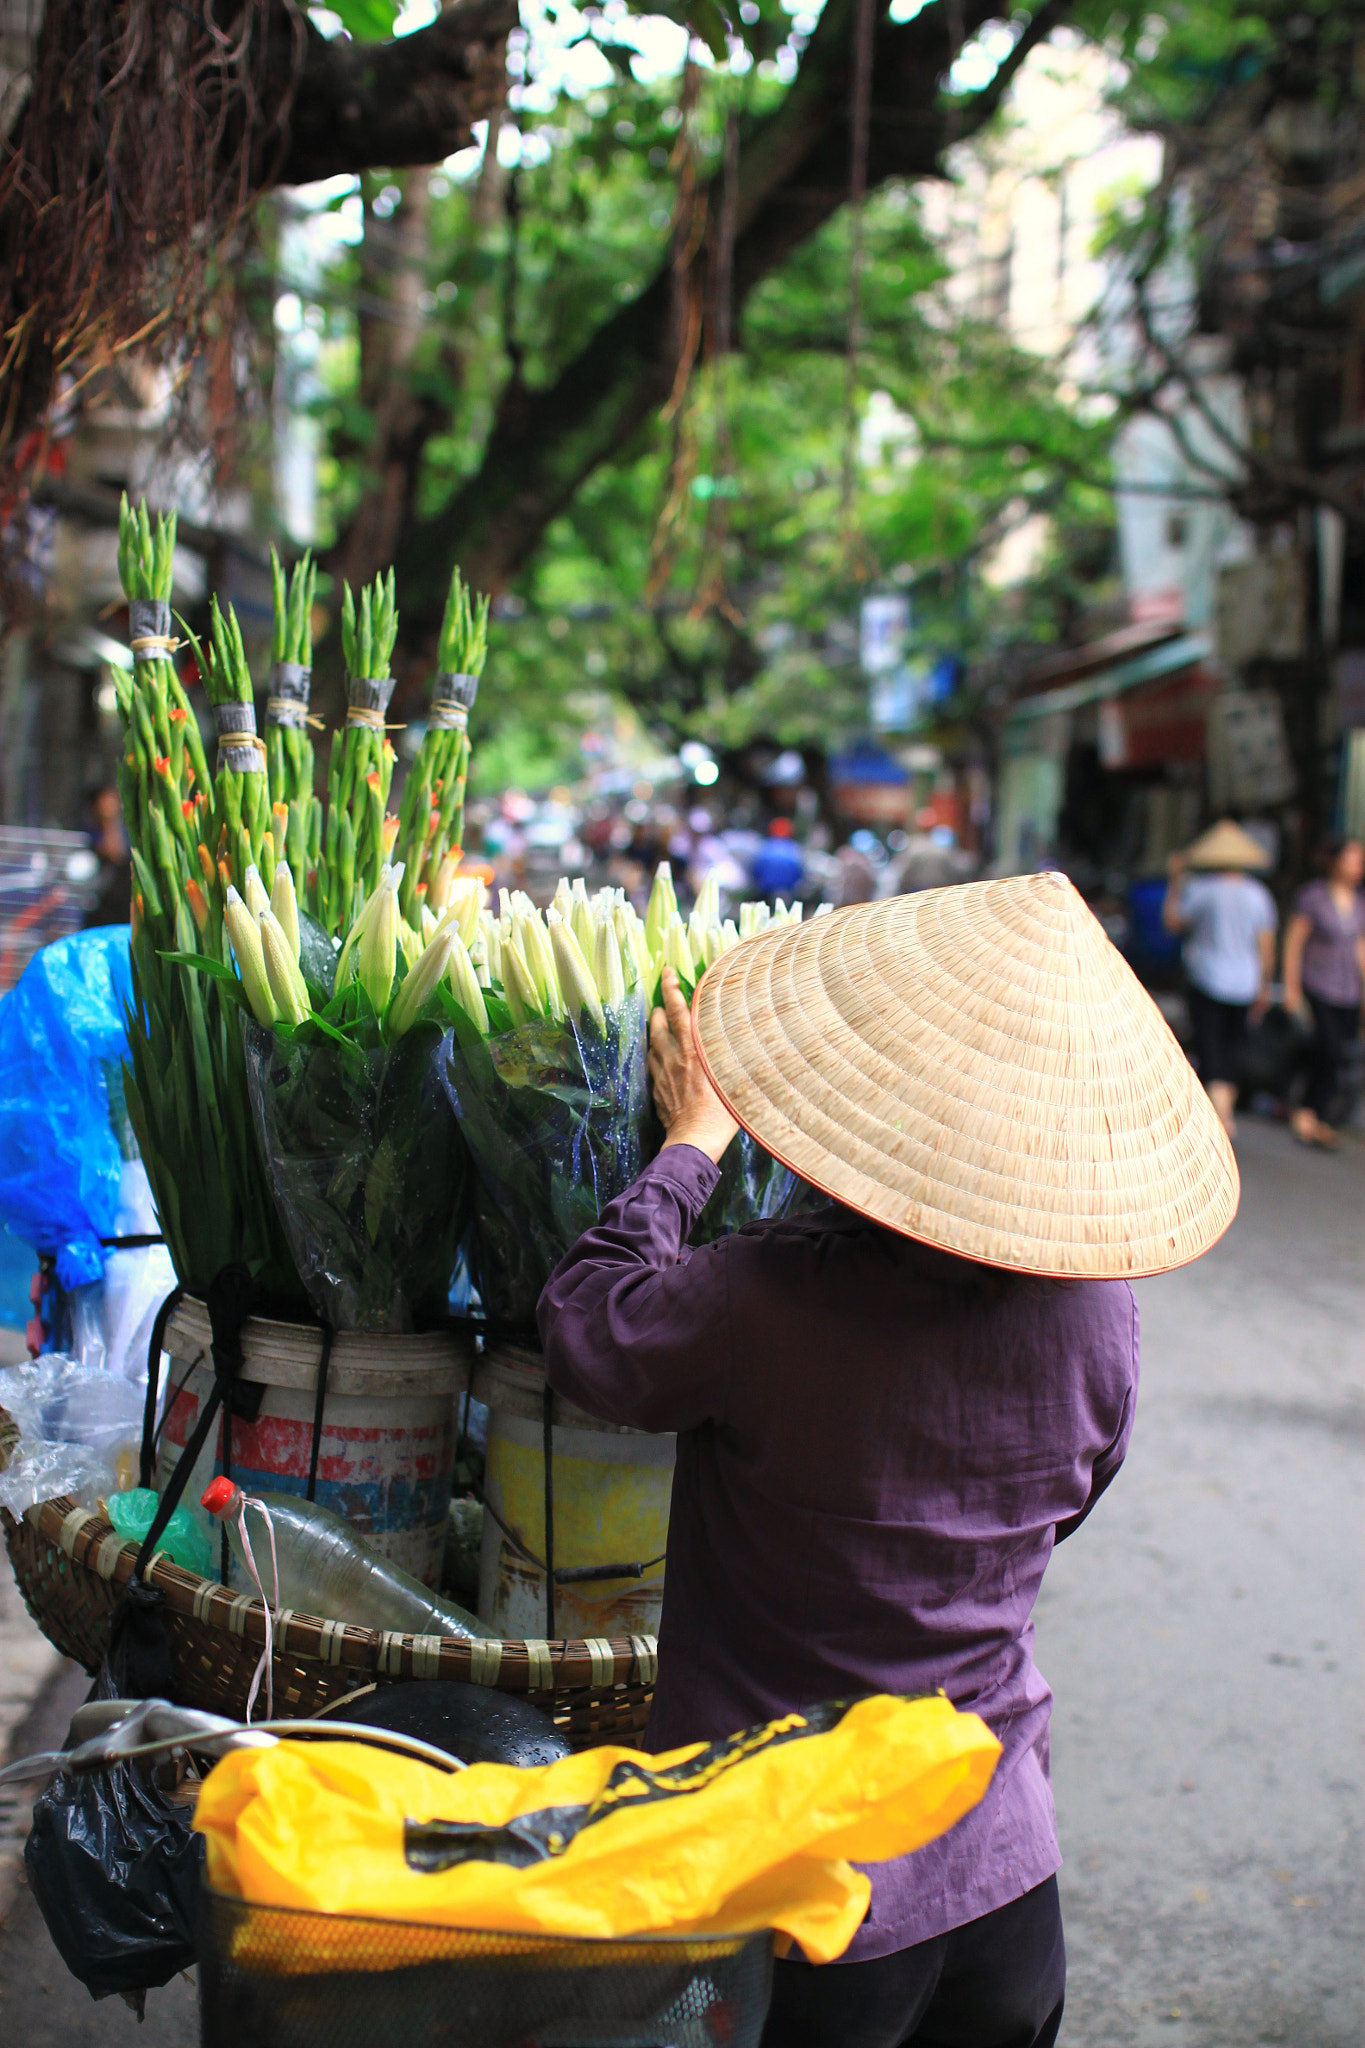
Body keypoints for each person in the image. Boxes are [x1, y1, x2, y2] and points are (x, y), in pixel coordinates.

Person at [539, 873, 1236, 2048]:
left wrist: (688, 1147)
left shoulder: (771, 1296)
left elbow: (587, 1327)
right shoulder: (1098, 1312)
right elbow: (1068, 1501)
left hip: (809, 1890)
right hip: (1002, 1869)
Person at [1162, 818, 1277, 1139]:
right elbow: (1266, 946)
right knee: (1234, 1045)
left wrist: (1175, 883)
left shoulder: (1202, 890)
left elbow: (1173, 922)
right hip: (1245, 982)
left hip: (1207, 978)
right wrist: (1265, 985)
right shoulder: (1259, 896)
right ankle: (1224, 1108)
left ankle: (1221, 1112)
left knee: (1209, 1042)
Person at [1281, 835, 1365, 1149]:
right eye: (1352, 857)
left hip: (1348, 990)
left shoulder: (1359, 902)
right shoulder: (1312, 897)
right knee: (1327, 1049)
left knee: (1337, 1054)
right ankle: (1307, 1112)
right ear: (1334, 860)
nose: (1358, 865)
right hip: (1318, 985)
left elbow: (1360, 948)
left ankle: (1318, 1115)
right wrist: (1291, 987)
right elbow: (1294, 942)